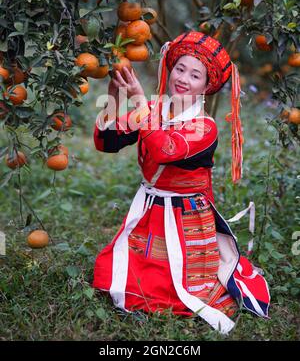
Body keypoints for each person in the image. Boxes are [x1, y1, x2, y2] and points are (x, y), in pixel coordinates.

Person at [92, 31, 270, 335]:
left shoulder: (205, 127)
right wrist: (113, 97)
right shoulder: (155, 109)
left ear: (206, 87)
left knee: (183, 290)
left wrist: (138, 100)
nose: (184, 78)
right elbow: (107, 142)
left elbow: (165, 150)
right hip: (151, 211)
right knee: (117, 275)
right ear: (170, 69)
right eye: (180, 68)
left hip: (186, 215)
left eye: (195, 74)